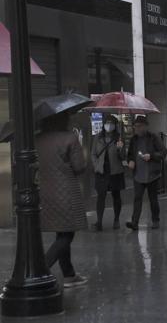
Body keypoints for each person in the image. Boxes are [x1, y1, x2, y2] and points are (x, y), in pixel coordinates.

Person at [36, 112, 89, 288]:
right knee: (67, 233)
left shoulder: (38, 139)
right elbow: (79, 166)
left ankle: (69, 274)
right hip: (66, 191)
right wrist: (82, 151)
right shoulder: (69, 138)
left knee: (62, 231)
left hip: (46, 191)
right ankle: (41, 268)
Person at [126, 116, 166, 231]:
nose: (136, 129)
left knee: (153, 198)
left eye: (139, 126)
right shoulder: (134, 140)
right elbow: (130, 154)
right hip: (138, 174)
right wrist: (131, 161)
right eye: (135, 126)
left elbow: (163, 152)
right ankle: (134, 222)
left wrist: (151, 156)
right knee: (137, 198)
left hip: (152, 174)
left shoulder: (153, 137)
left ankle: (155, 220)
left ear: (145, 126)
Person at [91, 115, 125, 231]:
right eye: (107, 123)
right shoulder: (97, 138)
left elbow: (123, 157)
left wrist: (120, 149)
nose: (108, 125)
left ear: (115, 126)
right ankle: (99, 221)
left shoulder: (119, 138)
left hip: (115, 171)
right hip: (101, 171)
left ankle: (116, 220)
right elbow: (93, 153)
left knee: (116, 196)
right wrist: (96, 165)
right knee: (101, 196)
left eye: (111, 123)